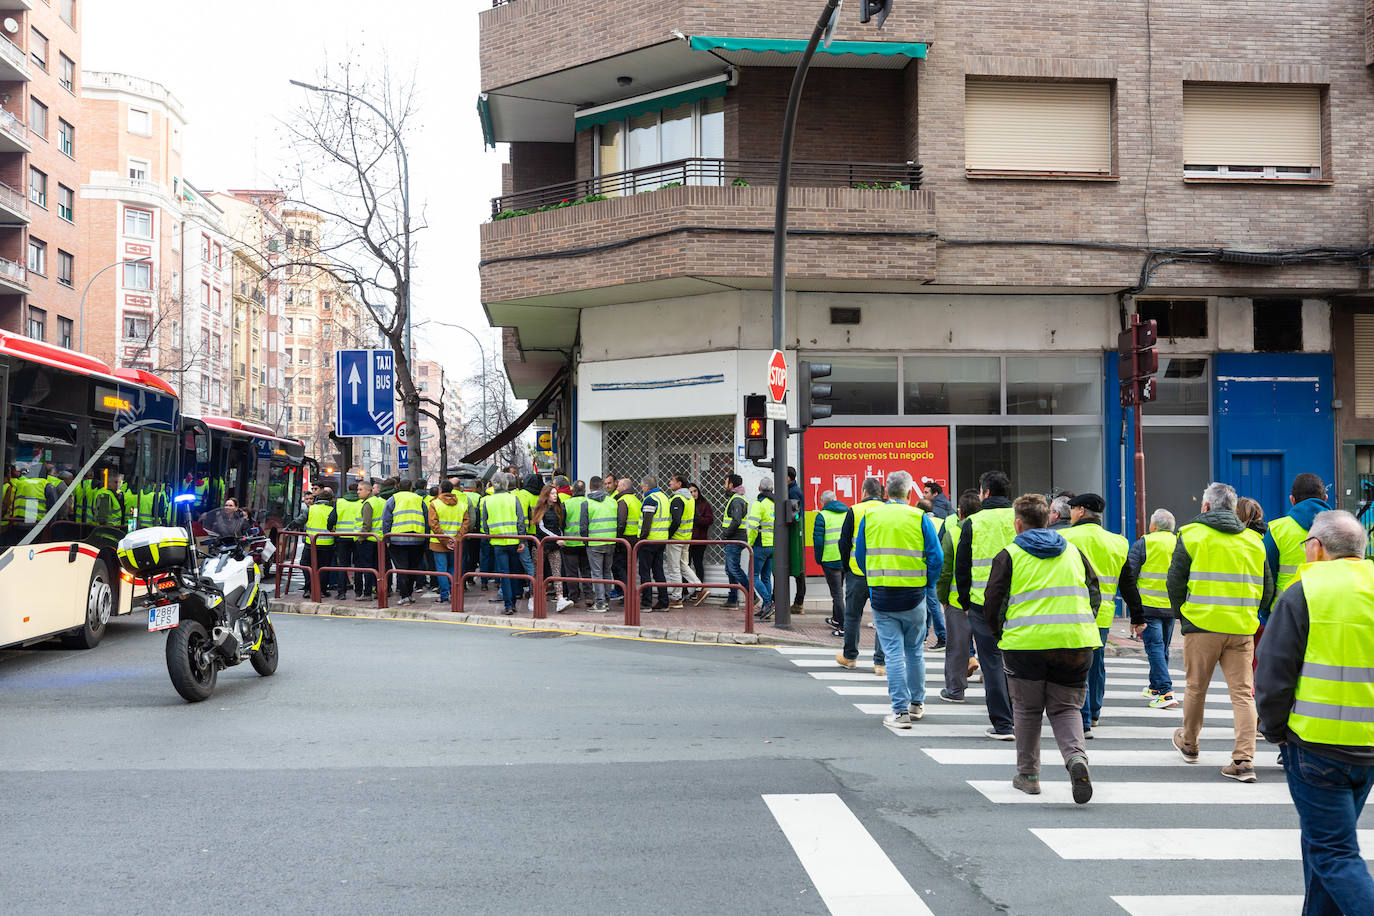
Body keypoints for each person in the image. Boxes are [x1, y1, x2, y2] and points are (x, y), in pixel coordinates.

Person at [1256, 509, 1374, 915]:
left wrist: (1273, 729)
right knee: (1324, 841)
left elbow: (1272, 672)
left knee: (1333, 852)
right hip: (1369, 747)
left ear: (1316, 548)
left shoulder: (1304, 590)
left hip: (1315, 746)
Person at [984, 493, 1100, 801]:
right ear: (1048, 519)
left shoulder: (1009, 554)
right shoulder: (1074, 551)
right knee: (1066, 708)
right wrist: (1081, 625)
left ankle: (1029, 775)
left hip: (1025, 645)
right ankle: (1076, 759)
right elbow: (1093, 592)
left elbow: (992, 601)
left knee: (1027, 708)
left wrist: (1001, 635)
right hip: (1076, 642)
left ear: (1018, 523)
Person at [1167, 481, 1274, 781]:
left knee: (1196, 687)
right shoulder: (1254, 542)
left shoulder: (1191, 534)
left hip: (1202, 625)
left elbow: (1175, 583)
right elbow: (1267, 590)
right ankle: (1243, 760)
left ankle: (1189, 744)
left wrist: (1183, 615)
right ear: (1232, 508)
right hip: (1241, 629)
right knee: (1242, 694)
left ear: (1205, 507)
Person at [856, 471, 943, 729]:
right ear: (908, 494)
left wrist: (873, 578)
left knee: (893, 653)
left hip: (882, 595)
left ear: (886, 494)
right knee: (915, 651)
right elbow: (935, 557)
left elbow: (861, 555)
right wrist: (927, 584)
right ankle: (917, 703)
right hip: (914, 595)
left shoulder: (871, 516)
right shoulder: (919, 517)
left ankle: (900, 712)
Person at [1060, 492, 1129, 738]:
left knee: (1076, 664)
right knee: (1096, 664)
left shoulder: (1063, 537)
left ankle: (1083, 716)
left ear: (1080, 511)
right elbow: (1128, 581)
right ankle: (1095, 711)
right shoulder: (1118, 541)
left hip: (1074, 611)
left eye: (1072, 510)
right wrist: (1138, 615)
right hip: (1104, 613)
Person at [956, 470, 1017, 741]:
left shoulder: (972, 522)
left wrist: (964, 600)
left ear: (986, 493)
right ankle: (1021, 716)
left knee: (991, 663)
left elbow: (962, 566)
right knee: (1016, 661)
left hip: (982, 603)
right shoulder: (1020, 517)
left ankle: (1003, 724)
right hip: (1019, 602)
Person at [1260, 473, 1331, 662]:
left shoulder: (1276, 530)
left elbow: (1266, 578)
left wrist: (1266, 615)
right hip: (1330, 613)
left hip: (1284, 616)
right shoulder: (1342, 529)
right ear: (1325, 498)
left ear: (1292, 500)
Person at [1119, 508, 1180, 708]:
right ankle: (1154, 686)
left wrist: (1133, 609)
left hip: (1148, 606)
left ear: (1153, 526)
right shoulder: (1180, 542)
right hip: (1171, 606)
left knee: (1154, 648)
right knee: (1162, 648)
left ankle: (1165, 692)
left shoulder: (1144, 542)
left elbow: (1130, 575)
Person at [836, 477, 887, 676]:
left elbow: (844, 542)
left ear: (864, 492)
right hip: (881, 573)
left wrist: (845, 566)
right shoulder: (888, 510)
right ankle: (880, 663)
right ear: (881, 493)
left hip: (857, 571)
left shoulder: (855, 510)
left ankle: (850, 657)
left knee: (853, 616)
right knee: (882, 618)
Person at [937, 489, 983, 702]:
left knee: (957, 648)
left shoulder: (952, 533)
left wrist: (943, 597)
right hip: (985, 598)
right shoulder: (987, 531)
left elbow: (945, 571)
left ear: (960, 512)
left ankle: (955, 691)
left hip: (957, 600)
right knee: (991, 648)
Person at [481, 473, 528, 615]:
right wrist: (522, 540)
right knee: (514, 573)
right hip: (513, 541)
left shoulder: (487, 501)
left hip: (498, 542)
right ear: (506, 484)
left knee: (504, 574)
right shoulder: (514, 499)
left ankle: (508, 605)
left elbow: (485, 523)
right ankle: (512, 603)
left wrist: (490, 537)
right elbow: (520, 521)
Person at [383, 479, 428, 606]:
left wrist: (387, 538)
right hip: (418, 538)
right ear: (410, 488)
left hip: (398, 539)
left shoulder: (393, 499)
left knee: (401, 568)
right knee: (413, 568)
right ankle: (409, 594)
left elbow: (386, 520)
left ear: (398, 487)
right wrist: (426, 536)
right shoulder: (419, 499)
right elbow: (426, 517)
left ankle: (405, 596)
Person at [532, 484, 574, 613]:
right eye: (552, 493)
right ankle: (533, 598)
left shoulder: (559, 508)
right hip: (541, 546)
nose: (555, 495)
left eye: (556, 493)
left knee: (557, 572)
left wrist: (561, 537)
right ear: (546, 495)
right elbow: (541, 528)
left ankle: (560, 599)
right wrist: (557, 538)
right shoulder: (540, 509)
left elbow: (560, 526)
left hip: (554, 546)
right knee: (537, 574)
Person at [813, 490, 848, 633]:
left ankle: (843, 627)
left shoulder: (822, 516)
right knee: (840, 590)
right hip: (845, 558)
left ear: (823, 502)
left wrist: (818, 558)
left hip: (830, 559)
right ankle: (836, 619)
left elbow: (818, 541)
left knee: (837, 594)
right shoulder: (847, 512)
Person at [428, 480, 469, 605]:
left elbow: (433, 524)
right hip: (455, 542)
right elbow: (466, 523)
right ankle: (454, 593)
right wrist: (456, 539)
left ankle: (444, 596)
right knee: (453, 569)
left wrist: (445, 540)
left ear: (440, 490)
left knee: (441, 569)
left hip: (439, 542)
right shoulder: (461, 504)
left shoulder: (435, 503)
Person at [664, 475, 700, 609]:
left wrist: (669, 535)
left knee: (674, 568)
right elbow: (696, 517)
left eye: (672, 481)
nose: (669, 483)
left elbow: (676, 521)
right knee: (683, 565)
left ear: (679, 484)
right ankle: (699, 587)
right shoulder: (690, 498)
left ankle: (676, 598)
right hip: (686, 538)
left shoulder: (677, 498)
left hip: (676, 539)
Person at [583, 476, 619, 612]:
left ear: (590, 487)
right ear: (602, 487)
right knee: (606, 572)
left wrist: (586, 541)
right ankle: (606, 600)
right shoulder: (612, 501)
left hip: (594, 542)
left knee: (597, 573)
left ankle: (600, 603)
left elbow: (583, 526)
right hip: (611, 541)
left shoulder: (586, 503)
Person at [917, 497, 948, 650]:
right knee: (930, 603)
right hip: (938, 566)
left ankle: (942, 636)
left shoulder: (920, 522)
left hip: (925, 568)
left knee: (932, 603)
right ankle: (924, 636)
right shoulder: (941, 522)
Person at [638, 476, 671, 611]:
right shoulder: (663, 497)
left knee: (645, 572)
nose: (641, 489)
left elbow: (646, 522)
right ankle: (663, 602)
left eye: (642, 487)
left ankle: (646, 603)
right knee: (658, 571)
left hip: (649, 540)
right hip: (661, 539)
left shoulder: (650, 499)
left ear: (646, 487)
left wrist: (641, 539)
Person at [747, 478, 778, 620]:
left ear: (759, 488)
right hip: (773, 545)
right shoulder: (776, 503)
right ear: (772, 489)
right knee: (766, 577)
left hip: (760, 544)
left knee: (752, 576)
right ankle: (767, 606)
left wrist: (749, 543)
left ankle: (768, 603)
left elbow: (753, 527)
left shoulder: (758, 504)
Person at [720, 475, 751, 609]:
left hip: (734, 539)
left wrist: (726, 533)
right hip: (734, 539)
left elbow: (736, 520)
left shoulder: (737, 499)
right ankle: (732, 600)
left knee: (734, 569)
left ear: (731, 485)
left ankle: (752, 596)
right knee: (730, 569)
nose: (724, 485)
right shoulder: (736, 498)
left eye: (726, 483)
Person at [304, 487, 339, 600]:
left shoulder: (311, 509)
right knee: (323, 567)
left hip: (311, 543)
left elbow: (299, 520)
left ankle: (308, 589)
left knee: (306, 564)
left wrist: (289, 528)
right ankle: (322, 590)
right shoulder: (332, 510)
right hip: (327, 543)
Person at [562, 480, 592, 605]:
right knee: (586, 570)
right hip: (585, 542)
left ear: (572, 491)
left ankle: (573, 597)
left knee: (571, 572)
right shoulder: (589, 503)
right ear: (585, 491)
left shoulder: (566, 503)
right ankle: (589, 596)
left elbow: (562, 523)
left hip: (570, 543)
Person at [612, 477, 641, 603]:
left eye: (618, 486)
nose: (617, 488)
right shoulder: (636, 500)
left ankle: (628, 594)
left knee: (620, 566)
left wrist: (618, 537)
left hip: (625, 539)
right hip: (636, 538)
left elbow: (621, 522)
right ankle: (629, 594)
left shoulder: (623, 501)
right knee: (629, 568)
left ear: (624, 487)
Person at [354, 480, 383, 600]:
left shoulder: (368, 504)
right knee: (376, 567)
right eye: (358, 489)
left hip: (368, 539)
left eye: (360, 490)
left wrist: (360, 538)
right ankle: (377, 590)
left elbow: (366, 525)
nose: (358, 492)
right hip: (378, 539)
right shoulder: (379, 501)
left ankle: (367, 594)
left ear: (368, 490)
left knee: (367, 567)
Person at [688, 483, 714, 606]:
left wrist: (698, 520)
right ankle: (684, 590)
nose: (693, 494)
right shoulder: (687, 503)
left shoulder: (704, 504)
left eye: (695, 491)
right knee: (685, 565)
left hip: (699, 539)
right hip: (686, 539)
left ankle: (699, 591)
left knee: (698, 564)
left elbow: (710, 520)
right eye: (691, 492)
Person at [787, 467, 806, 612]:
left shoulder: (793, 492)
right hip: (794, 532)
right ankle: (798, 602)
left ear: (788, 477)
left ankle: (798, 602)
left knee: (797, 569)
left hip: (793, 534)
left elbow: (794, 514)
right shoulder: (794, 490)